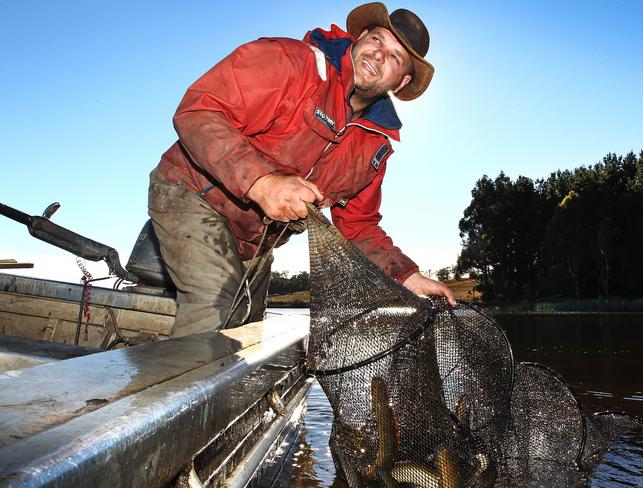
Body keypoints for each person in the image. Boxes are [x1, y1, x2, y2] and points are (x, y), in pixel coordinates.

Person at [148, 2, 456, 337]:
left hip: (257, 241)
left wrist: (407, 276)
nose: (380, 56)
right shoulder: (292, 62)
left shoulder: (374, 147)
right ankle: (184, 389)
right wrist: (261, 182)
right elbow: (199, 110)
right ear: (361, 36)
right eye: (378, 40)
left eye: (395, 58)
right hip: (191, 193)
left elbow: (358, 227)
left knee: (245, 331)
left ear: (403, 80)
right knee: (215, 310)